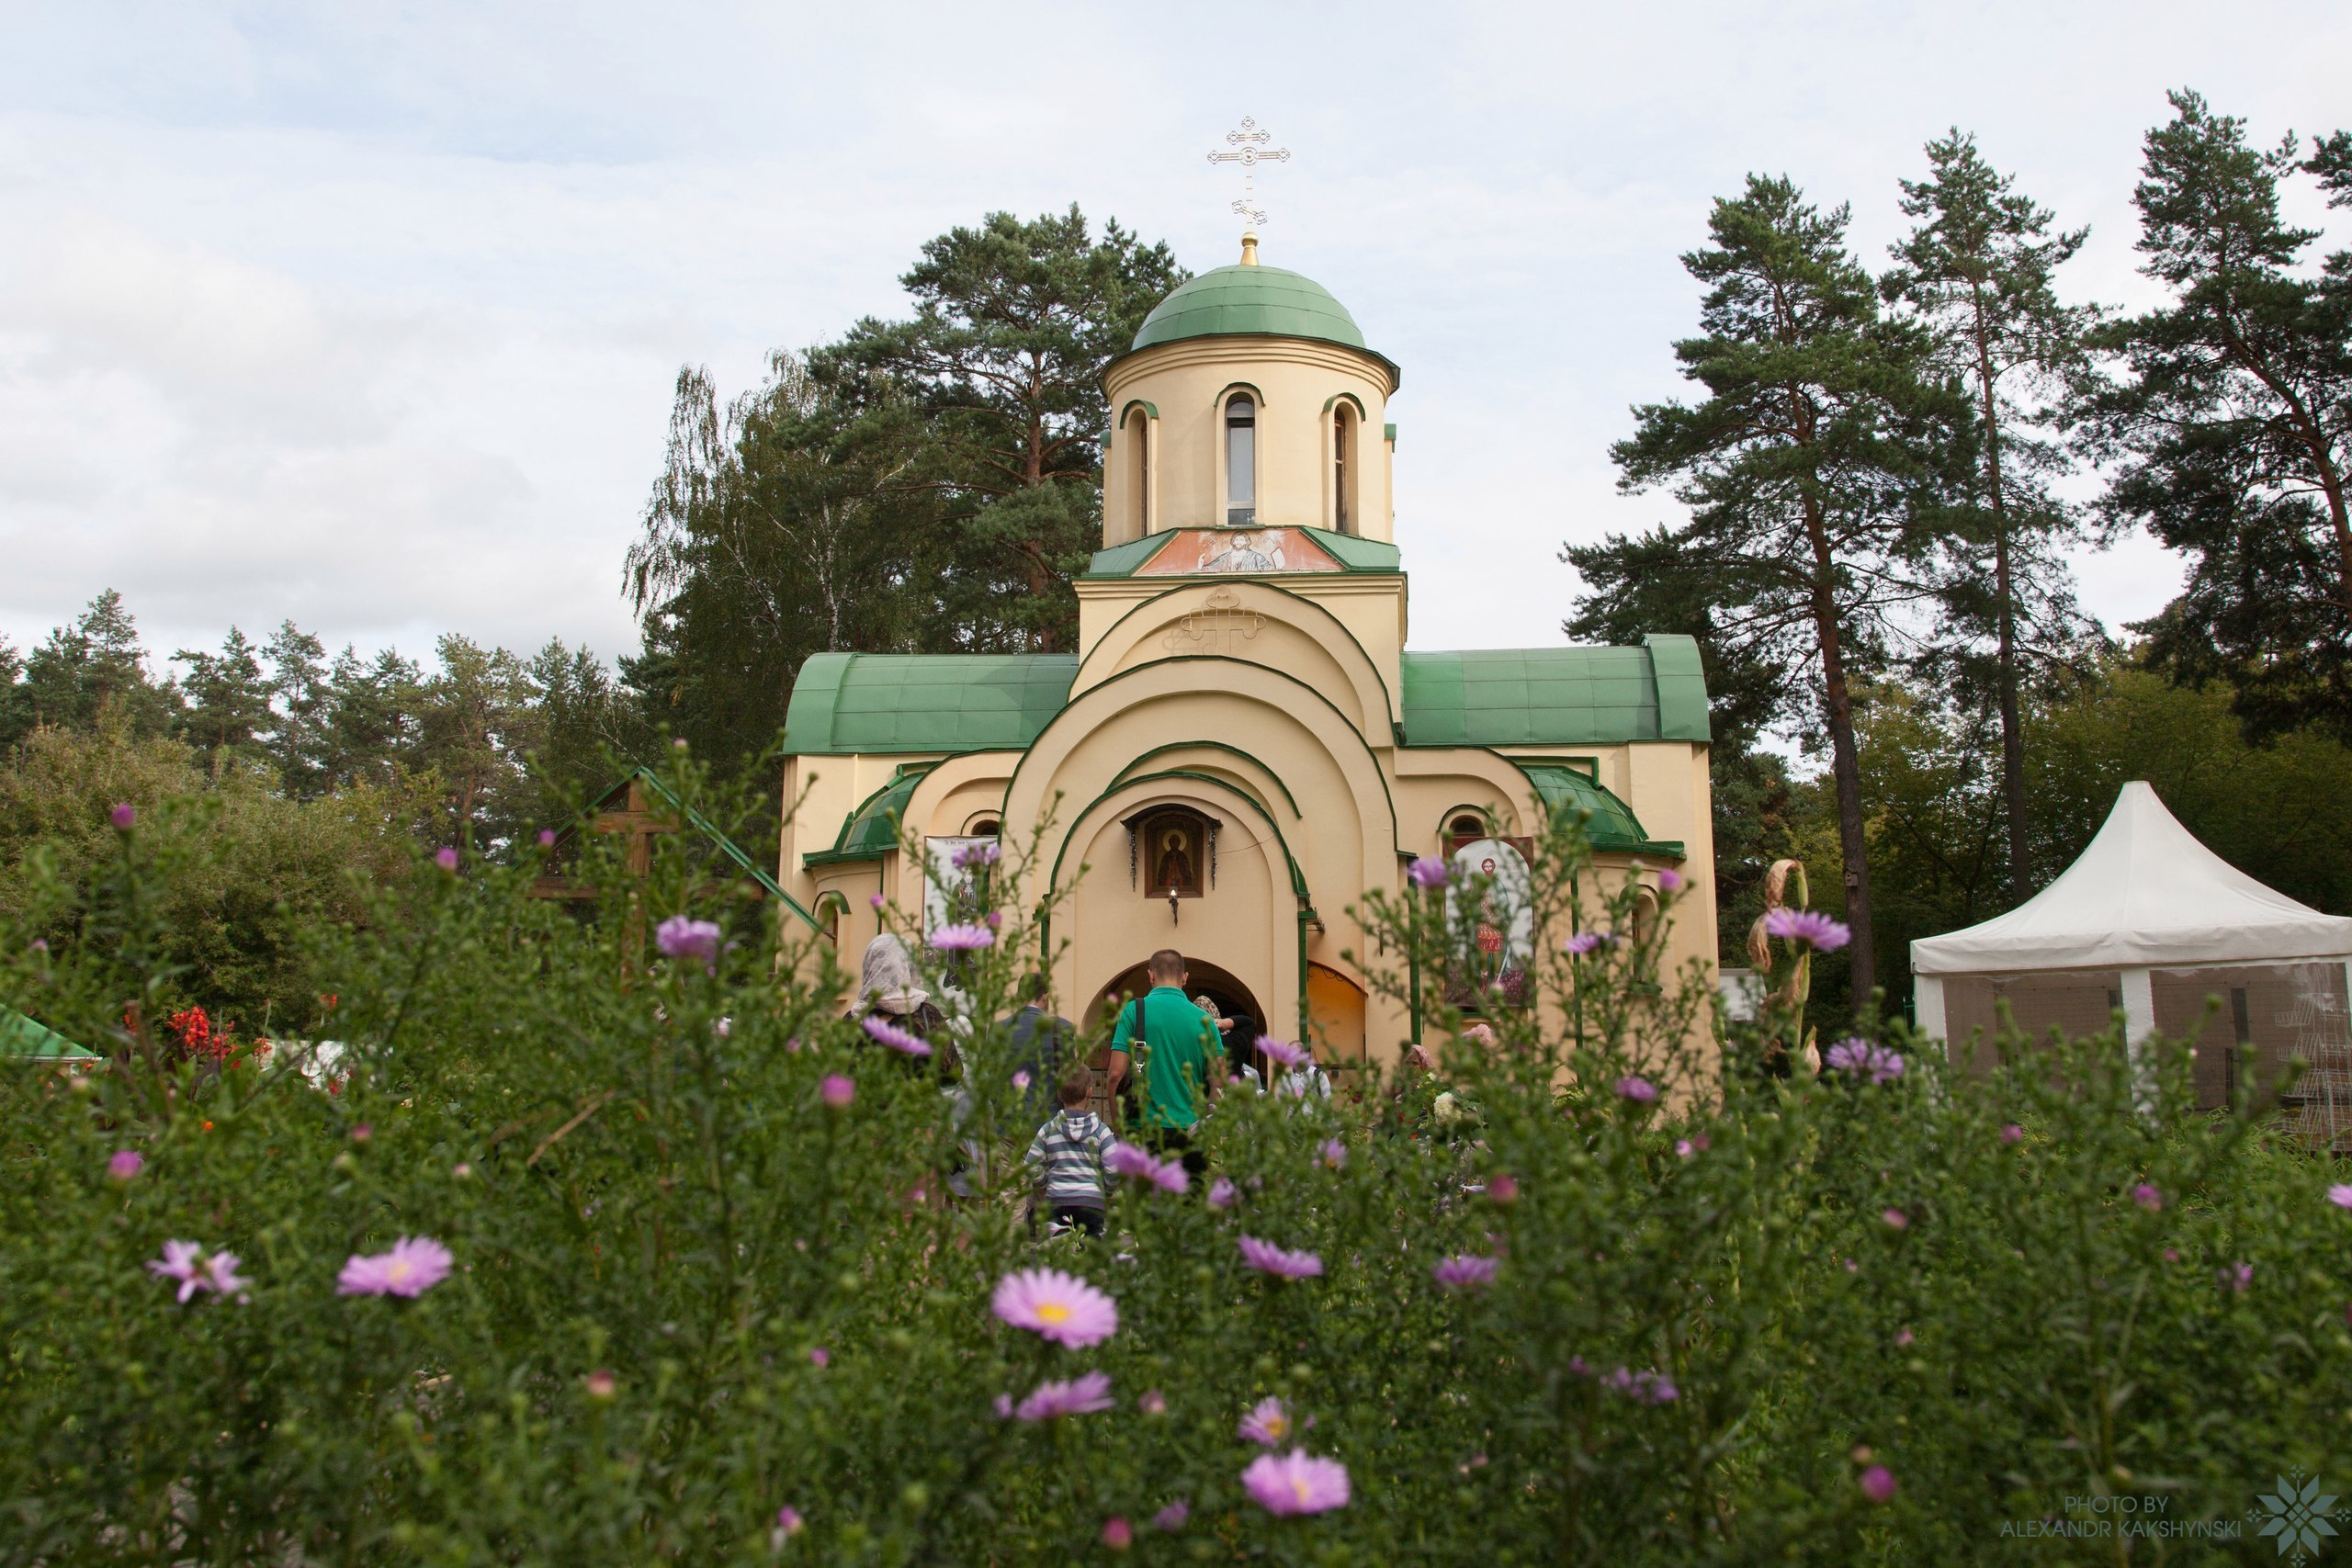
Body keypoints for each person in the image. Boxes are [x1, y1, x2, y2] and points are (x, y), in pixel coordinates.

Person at [1108, 949, 1221, 1174]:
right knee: (1187, 1205)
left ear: (1150, 976)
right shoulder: (1205, 1020)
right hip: (1190, 1132)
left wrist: (1120, 1130)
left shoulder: (1134, 1011)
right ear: (1185, 978)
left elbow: (1115, 1075)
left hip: (1142, 1131)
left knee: (1144, 1205)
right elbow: (1219, 1083)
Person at [849, 932, 958, 1082]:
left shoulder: (852, 1019)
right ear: (908, 967)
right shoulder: (927, 1015)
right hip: (920, 1103)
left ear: (869, 967)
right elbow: (953, 1073)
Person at [1023, 1063, 1116, 1237]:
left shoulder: (1048, 1130)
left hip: (1058, 1201)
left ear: (1059, 1094)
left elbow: (1030, 1165)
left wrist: (1046, 1183)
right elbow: (1116, 1168)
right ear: (1090, 1092)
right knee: (1091, 1253)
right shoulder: (1101, 1131)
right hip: (1092, 1204)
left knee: (1059, 1254)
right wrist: (1104, 1189)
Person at [1000, 972, 1073, 1123]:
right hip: (1048, 1125)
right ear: (1045, 997)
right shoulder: (1061, 1029)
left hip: (1008, 1125)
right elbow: (1071, 1080)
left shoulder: (1000, 1029)